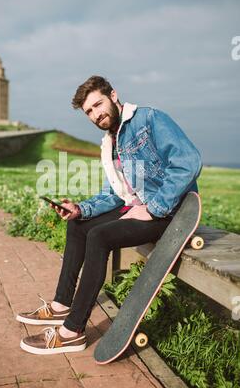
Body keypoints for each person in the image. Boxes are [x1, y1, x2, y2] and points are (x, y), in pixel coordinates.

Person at [17, 75, 202, 355]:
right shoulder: (109, 142)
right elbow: (115, 193)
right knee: (79, 225)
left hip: (168, 211)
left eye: (98, 104)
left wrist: (153, 208)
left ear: (113, 95)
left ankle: (72, 332)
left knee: (99, 236)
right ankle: (61, 305)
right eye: (89, 111)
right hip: (136, 207)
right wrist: (81, 209)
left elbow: (188, 162)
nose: (96, 114)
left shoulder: (149, 119)